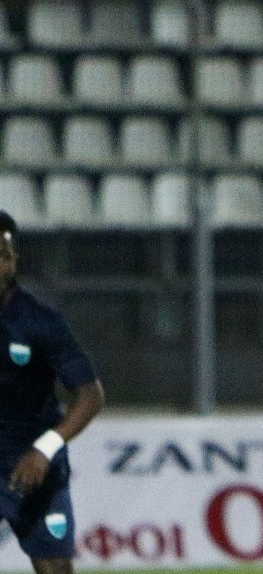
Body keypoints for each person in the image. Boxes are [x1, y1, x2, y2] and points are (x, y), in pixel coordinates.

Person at [0, 211, 105, 574]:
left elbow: (90, 395)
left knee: (55, 568)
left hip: (34, 468)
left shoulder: (41, 321)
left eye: (2, 255)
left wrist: (45, 449)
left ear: (14, 260)